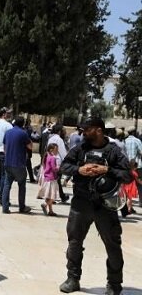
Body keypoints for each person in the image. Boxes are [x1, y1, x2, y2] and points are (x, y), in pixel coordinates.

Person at [58, 117, 133, 295]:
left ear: (98, 130)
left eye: (87, 129)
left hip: (105, 205)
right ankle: (73, 278)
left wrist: (107, 170)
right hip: (80, 203)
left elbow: (128, 176)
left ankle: (114, 285)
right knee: (74, 242)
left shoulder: (114, 151)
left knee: (113, 245)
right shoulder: (80, 149)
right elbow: (63, 166)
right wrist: (79, 170)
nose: (83, 132)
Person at [1, 116, 33, 214]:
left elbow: (5, 148)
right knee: (22, 185)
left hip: (8, 162)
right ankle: (22, 207)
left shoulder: (8, 132)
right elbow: (30, 146)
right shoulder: (23, 133)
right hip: (19, 163)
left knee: (7, 185)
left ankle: (5, 208)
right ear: (23, 124)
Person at [39, 143, 60, 216]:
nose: (57, 151)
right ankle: (45, 204)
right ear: (51, 150)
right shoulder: (53, 158)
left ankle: (50, 211)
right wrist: (59, 168)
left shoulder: (47, 156)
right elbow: (54, 169)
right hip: (52, 178)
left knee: (48, 195)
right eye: (56, 150)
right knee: (53, 196)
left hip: (47, 178)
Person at [124, 126, 142, 205]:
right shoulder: (137, 141)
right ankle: (141, 201)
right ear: (134, 132)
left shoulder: (125, 141)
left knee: (127, 184)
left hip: (126, 166)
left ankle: (127, 202)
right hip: (137, 165)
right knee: (140, 184)